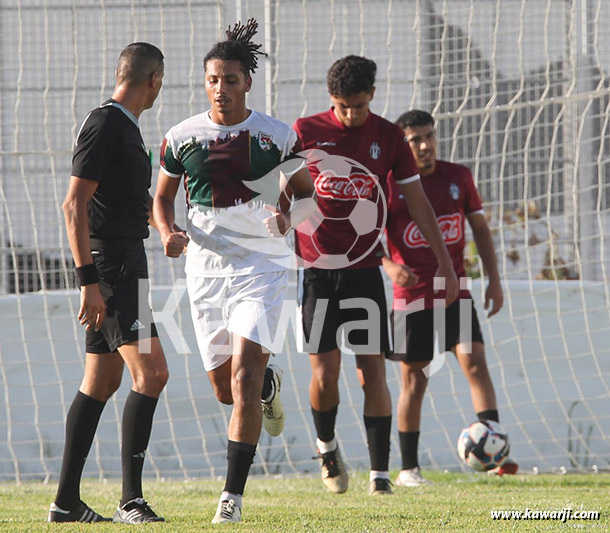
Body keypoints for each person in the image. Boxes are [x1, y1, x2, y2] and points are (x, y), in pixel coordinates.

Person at [153, 19, 315, 524]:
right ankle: (270, 388)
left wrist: (289, 217)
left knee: (243, 377)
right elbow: (160, 200)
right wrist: (167, 233)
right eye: (212, 80)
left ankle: (231, 499)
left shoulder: (275, 135)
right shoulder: (181, 138)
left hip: (262, 268)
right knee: (227, 390)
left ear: (248, 80)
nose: (220, 88)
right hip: (205, 273)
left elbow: (308, 197)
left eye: (230, 79)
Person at [292, 56, 458, 496]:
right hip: (318, 271)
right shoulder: (306, 131)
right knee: (326, 375)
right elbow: (281, 187)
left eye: (359, 106)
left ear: (373, 96)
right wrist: (280, 219)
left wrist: (444, 261)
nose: (351, 114)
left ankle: (380, 475)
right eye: (344, 106)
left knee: (372, 373)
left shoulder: (387, 136)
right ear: (332, 100)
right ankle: (327, 448)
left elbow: (418, 201)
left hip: (365, 271)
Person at [49, 43, 170, 524]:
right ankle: (130, 500)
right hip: (113, 267)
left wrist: (169, 230)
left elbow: (130, 200)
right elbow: (73, 205)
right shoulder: (106, 124)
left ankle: (65, 502)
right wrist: (88, 282)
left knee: (102, 380)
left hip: (124, 261)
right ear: (153, 80)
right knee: (152, 373)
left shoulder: (126, 128)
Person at [382, 109, 518, 487]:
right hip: (409, 298)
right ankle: (409, 469)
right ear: (403, 145)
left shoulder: (458, 176)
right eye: (415, 140)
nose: (424, 146)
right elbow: (367, 235)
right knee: (415, 381)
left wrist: (493, 280)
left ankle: (493, 457)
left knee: (474, 363)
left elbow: (481, 230)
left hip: (455, 290)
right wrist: (389, 266)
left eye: (429, 136)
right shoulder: (390, 184)